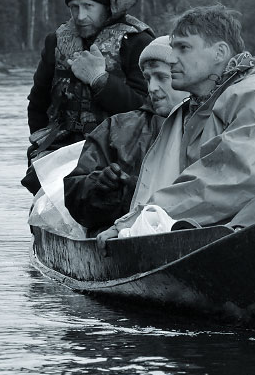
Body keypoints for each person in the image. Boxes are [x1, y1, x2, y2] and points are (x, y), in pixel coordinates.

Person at [100, 5, 255, 241]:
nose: (172, 59)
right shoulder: (199, 107)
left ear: (219, 52)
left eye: (183, 48)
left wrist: (140, 220)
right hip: (253, 213)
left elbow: (237, 174)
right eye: (173, 48)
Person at [23, 0, 154, 193]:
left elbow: (145, 107)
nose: (80, 16)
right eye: (74, 7)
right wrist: (40, 147)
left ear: (106, 6)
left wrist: (99, 79)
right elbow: (37, 104)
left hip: (118, 152)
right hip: (63, 150)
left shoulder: (137, 41)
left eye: (88, 6)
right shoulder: (56, 42)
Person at [62, 36, 189, 235]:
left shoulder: (212, 123)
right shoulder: (115, 127)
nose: (152, 88)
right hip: (121, 237)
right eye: (147, 78)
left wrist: (133, 188)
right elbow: (74, 196)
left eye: (162, 77)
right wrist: (101, 187)